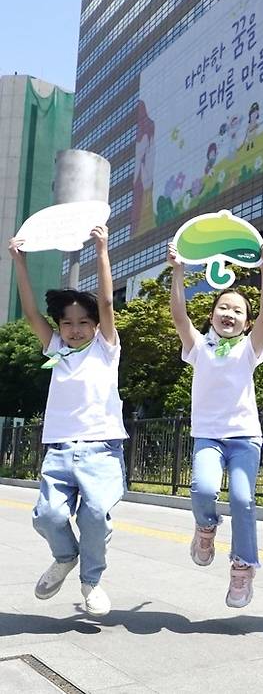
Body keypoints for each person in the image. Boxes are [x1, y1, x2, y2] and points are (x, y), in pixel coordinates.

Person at [8, 226, 127, 617]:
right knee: (48, 516)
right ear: (59, 327)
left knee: (94, 514)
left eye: (83, 323)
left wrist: (103, 249)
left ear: (95, 325)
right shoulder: (56, 348)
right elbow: (29, 312)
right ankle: (65, 556)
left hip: (102, 448)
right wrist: (20, 263)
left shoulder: (107, 349)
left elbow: (108, 302)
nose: (75, 330)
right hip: (59, 450)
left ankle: (92, 579)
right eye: (67, 323)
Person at [167, 241, 263, 607]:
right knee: (202, 489)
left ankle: (243, 568)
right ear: (212, 315)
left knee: (243, 499)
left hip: (245, 438)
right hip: (209, 437)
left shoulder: (249, 349)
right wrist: (178, 270)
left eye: (238, 310)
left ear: (246, 321)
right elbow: (179, 316)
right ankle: (206, 529)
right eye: (222, 307)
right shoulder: (199, 346)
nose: (229, 313)